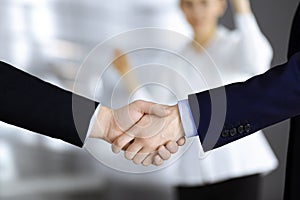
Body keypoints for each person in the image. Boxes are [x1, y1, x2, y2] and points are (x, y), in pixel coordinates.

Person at [111, 0, 278, 199]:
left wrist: (242, 8)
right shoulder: (173, 60)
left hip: (239, 166)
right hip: (192, 173)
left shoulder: (236, 46)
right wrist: (128, 76)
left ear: (220, 6)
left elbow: (258, 62)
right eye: (189, 4)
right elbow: (157, 111)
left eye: (204, 3)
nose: (196, 11)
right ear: (181, 8)